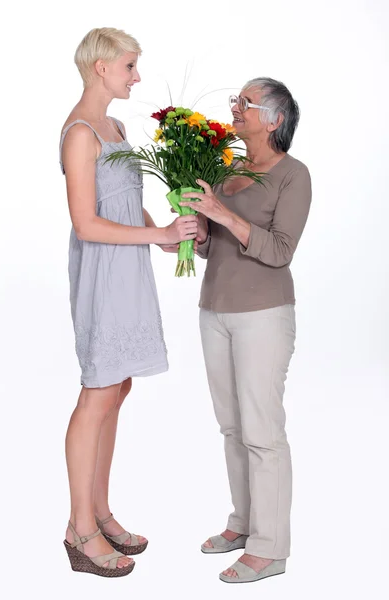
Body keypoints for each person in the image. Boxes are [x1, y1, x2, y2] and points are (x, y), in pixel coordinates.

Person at [59, 27, 198, 577]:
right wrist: (157, 237)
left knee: (118, 386)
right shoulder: (79, 133)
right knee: (97, 391)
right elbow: (86, 223)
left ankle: (100, 510)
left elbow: (123, 203)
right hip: (102, 272)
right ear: (101, 67)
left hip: (129, 268)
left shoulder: (114, 126)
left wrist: (162, 230)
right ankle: (80, 529)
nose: (136, 77)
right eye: (130, 66)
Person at [180, 77, 312, 584]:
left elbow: (279, 251)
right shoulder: (230, 168)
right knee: (232, 428)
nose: (235, 107)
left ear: (274, 119)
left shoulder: (293, 175)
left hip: (263, 315)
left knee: (262, 432)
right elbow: (220, 245)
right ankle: (244, 523)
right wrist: (194, 232)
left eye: (245, 102)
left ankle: (270, 547)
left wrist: (221, 216)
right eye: (236, 100)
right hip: (214, 308)